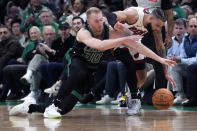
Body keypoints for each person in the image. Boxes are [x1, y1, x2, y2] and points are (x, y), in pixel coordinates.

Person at [9, 7, 176, 118]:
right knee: (79, 73)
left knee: (63, 111)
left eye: (101, 20)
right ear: (88, 22)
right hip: (75, 61)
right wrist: (124, 37)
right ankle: (56, 96)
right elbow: (100, 44)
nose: (100, 22)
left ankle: (31, 107)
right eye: (96, 20)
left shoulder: (111, 32)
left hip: (91, 67)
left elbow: (139, 45)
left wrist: (161, 60)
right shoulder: (84, 32)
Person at [170, 18, 197, 106]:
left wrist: (181, 60)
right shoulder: (185, 39)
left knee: (191, 68)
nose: (193, 28)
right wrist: (176, 59)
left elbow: (196, 60)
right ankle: (181, 95)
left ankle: (192, 98)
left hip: (194, 66)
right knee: (174, 66)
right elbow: (182, 55)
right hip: (189, 66)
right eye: (191, 26)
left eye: (195, 26)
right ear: (188, 28)